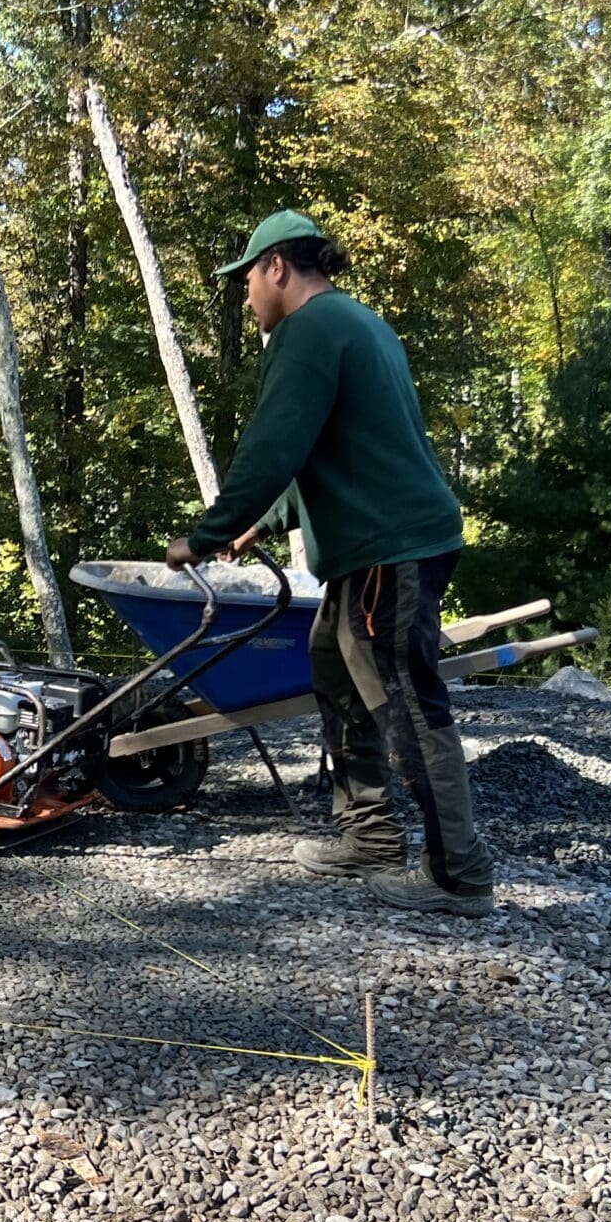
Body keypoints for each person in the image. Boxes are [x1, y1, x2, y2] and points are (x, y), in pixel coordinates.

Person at [165, 209, 494, 917]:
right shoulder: (357, 323)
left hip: (390, 546)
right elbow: (342, 450)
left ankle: (459, 874)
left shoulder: (306, 331)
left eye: (248, 280)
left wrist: (207, 532)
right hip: (378, 543)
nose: (247, 296)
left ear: (278, 267)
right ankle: (369, 835)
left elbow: (274, 446)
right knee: (336, 671)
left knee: (406, 702)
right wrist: (265, 522)